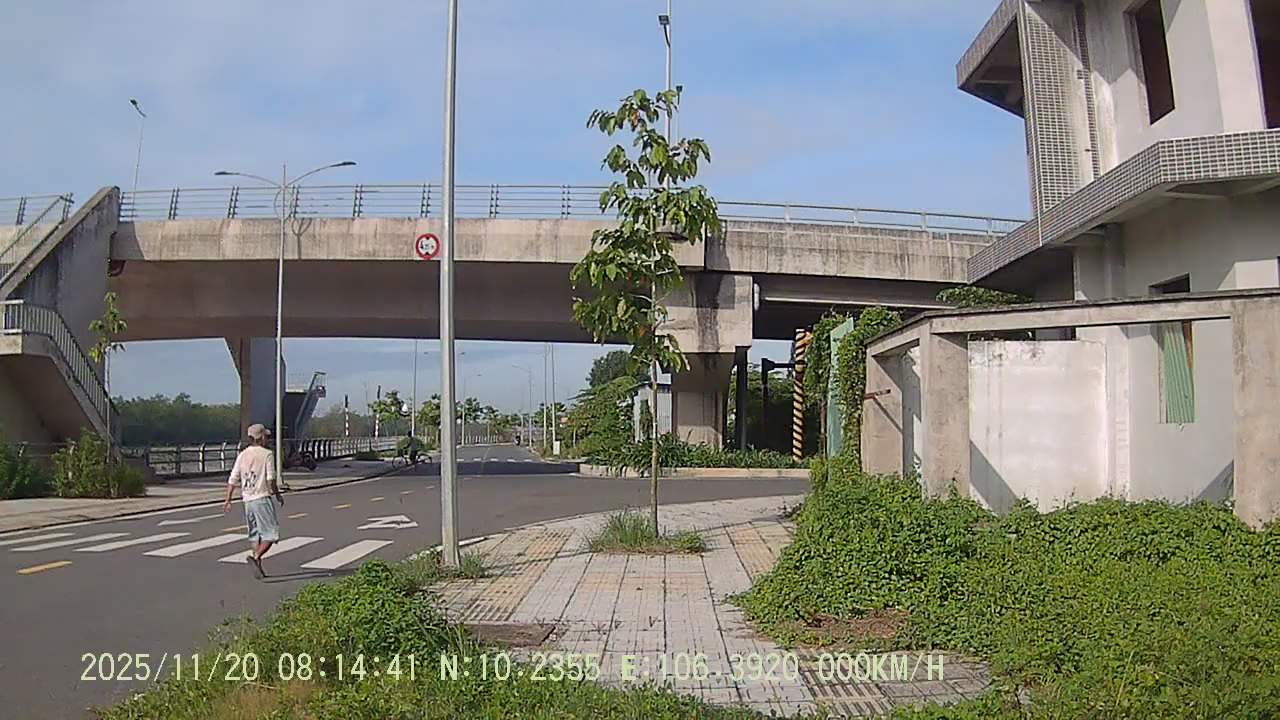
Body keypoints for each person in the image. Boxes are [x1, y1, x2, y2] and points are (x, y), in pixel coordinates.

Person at [223, 423, 284, 579]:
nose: (267, 439)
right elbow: (271, 479)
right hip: (261, 497)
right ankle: (256, 557)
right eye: (266, 436)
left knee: (255, 534)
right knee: (271, 534)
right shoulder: (267, 454)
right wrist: (277, 494)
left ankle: (258, 567)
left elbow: (233, 478)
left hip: (247, 500)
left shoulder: (242, 454)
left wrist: (228, 499)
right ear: (262, 437)